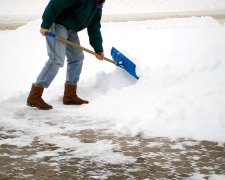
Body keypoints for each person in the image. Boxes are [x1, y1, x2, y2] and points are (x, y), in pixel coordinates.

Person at [27, 0, 105, 110]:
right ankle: (34, 96)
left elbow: (94, 27)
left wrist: (98, 49)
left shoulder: (97, 5)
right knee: (56, 59)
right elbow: (55, 3)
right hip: (57, 25)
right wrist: (46, 24)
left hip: (71, 30)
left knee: (77, 58)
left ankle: (70, 95)